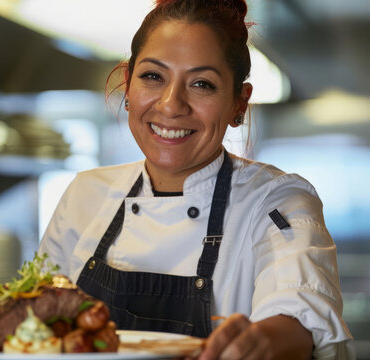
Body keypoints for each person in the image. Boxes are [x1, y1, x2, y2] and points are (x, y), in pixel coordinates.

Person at [38, 0, 354, 358]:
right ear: (128, 86)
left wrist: (261, 343)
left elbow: (300, 313)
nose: (172, 105)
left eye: (202, 84)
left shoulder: (275, 201)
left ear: (239, 103)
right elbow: (38, 329)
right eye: (153, 76)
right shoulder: (85, 195)